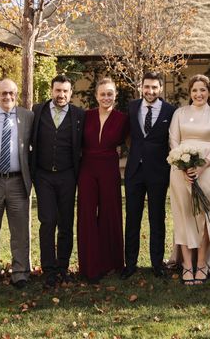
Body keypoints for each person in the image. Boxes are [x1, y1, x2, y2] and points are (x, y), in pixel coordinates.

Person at [169, 74, 210, 285]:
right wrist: (183, 165)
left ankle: (202, 263)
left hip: (208, 171)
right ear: (190, 92)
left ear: (209, 92)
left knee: (205, 217)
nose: (198, 94)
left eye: (203, 90)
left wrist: (202, 165)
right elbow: (174, 140)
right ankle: (187, 264)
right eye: (195, 90)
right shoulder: (180, 113)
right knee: (183, 215)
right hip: (180, 171)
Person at [30, 74, 85, 288]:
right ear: (51, 91)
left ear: (71, 93)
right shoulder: (37, 111)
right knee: (47, 221)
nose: (61, 95)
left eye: (65, 91)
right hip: (43, 175)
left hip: (67, 175)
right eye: (57, 90)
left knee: (65, 223)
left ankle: (63, 267)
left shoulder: (79, 115)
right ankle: (49, 269)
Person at [0, 78, 34, 289]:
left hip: (18, 182)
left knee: (20, 231)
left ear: (16, 94)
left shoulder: (28, 117)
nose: (7, 97)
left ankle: (20, 272)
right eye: (3, 93)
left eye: (11, 93)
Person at [122, 72, 175, 279]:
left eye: (154, 87)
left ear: (160, 89)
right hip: (134, 170)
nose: (150, 91)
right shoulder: (132, 107)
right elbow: (129, 136)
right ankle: (130, 263)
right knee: (132, 218)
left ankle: (156, 263)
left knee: (156, 218)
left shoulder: (170, 111)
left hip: (158, 171)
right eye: (147, 87)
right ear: (141, 87)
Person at [77, 77, 129, 283]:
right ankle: (90, 266)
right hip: (87, 168)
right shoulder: (85, 116)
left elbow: (131, 142)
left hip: (109, 167)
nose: (106, 97)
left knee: (110, 213)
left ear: (115, 95)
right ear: (96, 96)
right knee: (87, 215)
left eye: (110, 93)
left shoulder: (123, 118)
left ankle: (111, 263)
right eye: (103, 94)